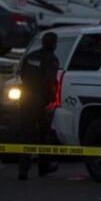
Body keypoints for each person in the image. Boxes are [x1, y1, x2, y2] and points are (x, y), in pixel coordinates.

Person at [18, 31, 60, 180]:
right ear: (54, 44)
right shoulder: (51, 60)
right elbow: (50, 82)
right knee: (44, 135)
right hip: (40, 101)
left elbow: (22, 74)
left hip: (25, 99)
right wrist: (49, 101)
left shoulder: (31, 57)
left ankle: (23, 169)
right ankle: (44, 167)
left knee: (25, 135)